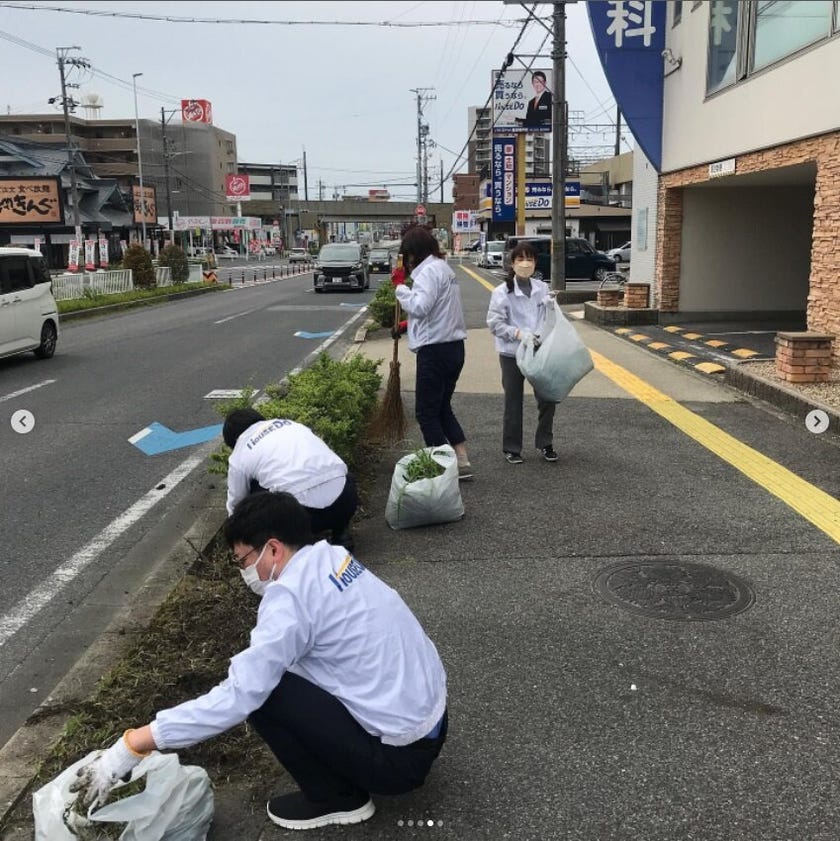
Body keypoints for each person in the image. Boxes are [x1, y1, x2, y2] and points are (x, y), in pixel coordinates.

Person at [70, 491, 448, 831]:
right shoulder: (331, 557)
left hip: (398, 762)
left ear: (273, 549)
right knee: (280, 670)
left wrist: (135, 744)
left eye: (243, 560)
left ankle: (336, 798)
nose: (244, 572)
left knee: (266, 695)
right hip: (431, 723)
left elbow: (238, 697)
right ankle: (352, 767)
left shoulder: (289, 598)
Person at [393, 227, 472, 479]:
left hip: (435, 352)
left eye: (407, 255)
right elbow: (439, 312)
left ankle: (445, 468)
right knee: (442, 407)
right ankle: (462, 461)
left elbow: (420, 307)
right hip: (454, 348)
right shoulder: (444, 269)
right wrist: (405, 326)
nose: (406, 261)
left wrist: (400, 288)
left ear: (414, 253)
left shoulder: (427, 272)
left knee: (426, 413)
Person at [223, 408, 357, 548]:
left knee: (255, 494)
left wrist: (235, 537)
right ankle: (341, 533)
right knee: (335, 471)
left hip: (302, 517)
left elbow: (237, 503)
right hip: (346, 499)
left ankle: (300, 545)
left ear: (233, 441)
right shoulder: (292, 425)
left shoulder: (240, 453)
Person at [486, 241, 558, 464]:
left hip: (538, 350)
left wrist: (552, 308)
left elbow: (549, 318)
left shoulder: (542, 288)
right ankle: (512, 448)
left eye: (530, 259)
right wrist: (518, 334)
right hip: (512, 353)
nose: (525, 264)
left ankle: (545, 443)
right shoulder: (501, 292)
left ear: (535, 263)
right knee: (513, 401)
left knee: (547, 398)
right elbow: (494, 324)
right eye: (520, 259)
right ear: (512, 263)